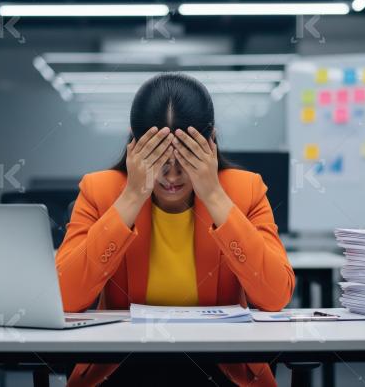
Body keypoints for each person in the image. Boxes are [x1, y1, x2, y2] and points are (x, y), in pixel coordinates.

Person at [56, 72, 295, 386]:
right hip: (125, 363)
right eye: (158, 161)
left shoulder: (244, 190)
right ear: (134, 143)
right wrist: (131, 197)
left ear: (210, 142)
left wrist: (213, 195)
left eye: (186, 161)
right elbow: (65, 297)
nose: (171, 177)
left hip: (220, 366)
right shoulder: (100, 191)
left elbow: (275, 295)